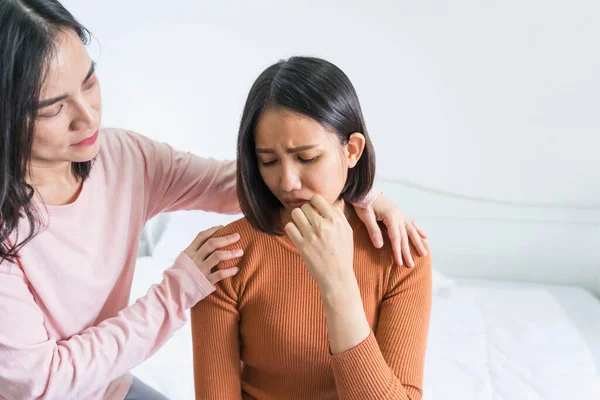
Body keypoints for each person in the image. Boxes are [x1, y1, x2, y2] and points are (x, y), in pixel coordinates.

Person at [0, 1, 428, 399]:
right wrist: (177, 291)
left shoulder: (122, 158)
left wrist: (365, 188)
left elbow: (240, 182)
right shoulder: (229, 263)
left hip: (108, 387)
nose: (89, 116)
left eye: (90, 81)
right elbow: (41, 382)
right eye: (53, 109)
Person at [190, 56, 432, 400]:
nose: (287, 182)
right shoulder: (224, 255)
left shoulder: (400, 253)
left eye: (306, 158)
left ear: (352, 150)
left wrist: (338, 285)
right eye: (268, 161)